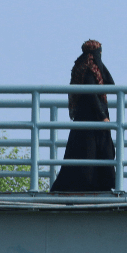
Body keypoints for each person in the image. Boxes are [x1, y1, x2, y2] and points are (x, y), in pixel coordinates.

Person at [51, 40, 116, 192]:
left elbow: (110, 83)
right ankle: (92, 185)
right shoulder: (88, 68)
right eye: (98, 52)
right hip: (91, 116)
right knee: (90, 152)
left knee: (93, 151)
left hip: (87, 116)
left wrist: (99, 63)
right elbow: (91, 93)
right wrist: (102, 116)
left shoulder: (85, 65)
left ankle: (99, 185)